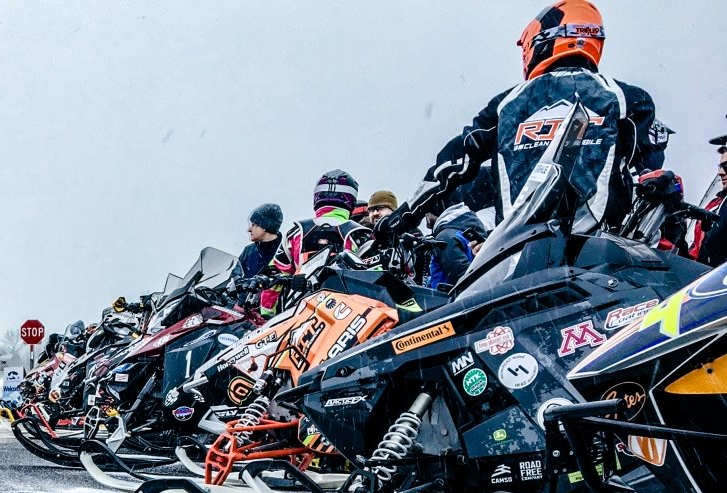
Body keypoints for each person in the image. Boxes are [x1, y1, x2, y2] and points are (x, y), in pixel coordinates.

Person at [378, 0, 670, 244]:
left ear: (541, 40)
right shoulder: (628, 98)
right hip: (599, 254)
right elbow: (649, 171)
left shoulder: (507, 104)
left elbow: (452, 164)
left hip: (519, 255)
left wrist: (401, 217)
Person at [264, 170, 375, 314]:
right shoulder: (360, 233)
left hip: (298, 311)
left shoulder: (296, 231)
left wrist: (266, 313)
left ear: (317, 196)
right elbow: (373, 275)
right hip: (345, 312)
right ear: (351, 199)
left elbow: (276, 275)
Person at [426, 204, 490, 292]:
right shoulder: (465, 230)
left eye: (427, 213)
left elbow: (462, 276)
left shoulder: (444, 238)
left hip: (450, 300)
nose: (426, 218)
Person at [690, 120, 727, 265]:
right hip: (704, 277)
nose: (720, 173)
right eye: (720, 166)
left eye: (726, 166)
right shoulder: (718, 202)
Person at [237, 203, 283, 279]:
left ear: (265, 226)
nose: (249, 230)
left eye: (253, 224)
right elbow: (234, 278)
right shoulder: (248, 251)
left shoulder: (285, 250)